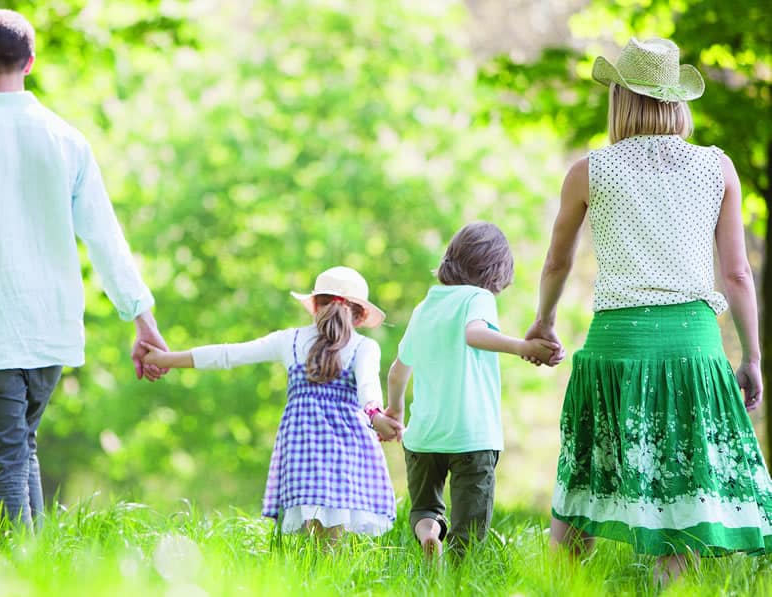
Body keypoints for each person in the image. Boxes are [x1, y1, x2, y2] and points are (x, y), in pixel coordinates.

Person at [0, 9, 169, 531]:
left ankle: (10, 577)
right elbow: (105, 238)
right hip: (50, 328)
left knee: (6, 463)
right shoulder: (67, 141)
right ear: (31, 62)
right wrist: (141, 317)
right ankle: (39, 572)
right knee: (20, 451)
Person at [525, 37, 772, 582]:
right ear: (676, 99)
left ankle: (565, 587)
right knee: (683, 475)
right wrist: (752, 357)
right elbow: (736, 274)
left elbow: (556, 265)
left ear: (619, 98)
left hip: (616, 343)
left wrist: (542, 320)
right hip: (693, 343)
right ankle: (668, 586)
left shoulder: (588, 171)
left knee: (586, 477)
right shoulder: (717, 168)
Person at [141, 266, 402, 540]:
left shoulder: (289, 340)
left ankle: (312, 580)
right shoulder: (364, 347)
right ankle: (331, 579)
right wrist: (376, 417)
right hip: (347, 449)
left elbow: (228, 354)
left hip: (303, 448)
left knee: (312, 536)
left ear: (314, 305)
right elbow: (368, 390)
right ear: (360, 315)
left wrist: (165, 359)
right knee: (335, 536)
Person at [383, 222, 559, 556]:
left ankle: (429, 535)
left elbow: (397, 372)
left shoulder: (425, 307)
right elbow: (474, 334)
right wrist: (524, 347)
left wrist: (395, 410)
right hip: (472, 436)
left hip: (423, 437)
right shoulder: (477, 297)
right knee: (470, 528)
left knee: (424, 509)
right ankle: (460, 581)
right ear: (496, 270)